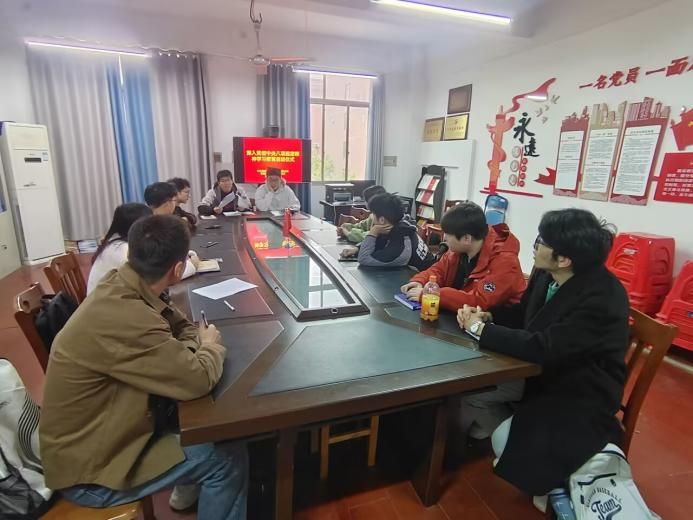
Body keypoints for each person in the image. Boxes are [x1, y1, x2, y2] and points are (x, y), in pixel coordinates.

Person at [40, 215, 248, 519]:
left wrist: (188, 351)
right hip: (91, 473)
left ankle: (189, 488)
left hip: (103, 438)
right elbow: (198, 379)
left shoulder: (123, 283)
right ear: (178, 270)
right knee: (227, 460)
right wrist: (210, 345)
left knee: (204, 429)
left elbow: (181, 328)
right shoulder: (127, 315)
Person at [457, 209, 629, 507]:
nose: (534, 246)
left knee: (487, 414)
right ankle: (523, 449)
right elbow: (525, 315)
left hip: (578, 389)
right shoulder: (547, 276)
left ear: (564, 259)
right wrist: (489, 317)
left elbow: (544, 346)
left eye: (541, 241)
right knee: (470, 390)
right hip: (539, 370)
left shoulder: (602, 296)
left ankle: (551, 472)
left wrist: (480, 330)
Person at [401, 201, 525, 311]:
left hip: (495, 323)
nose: (444, 238)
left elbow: (480, 302)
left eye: (448, 234)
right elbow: (438, 270)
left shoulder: (505, 262)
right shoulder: (458, 249)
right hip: (459, 317)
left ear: (466, 238)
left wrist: (433, 295)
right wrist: (420, 281)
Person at [345, 193, 435, 270]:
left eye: (373, 214)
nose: (371, 216)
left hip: (421, 280)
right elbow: (379, 242)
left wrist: (373, 232)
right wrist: (357, 249)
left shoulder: (401, 243)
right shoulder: (397, 226)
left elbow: (364, 259)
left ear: (382, 220)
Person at [87, 203, 153, 294]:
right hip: (106, 300)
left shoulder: (115, 244)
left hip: (105, 297)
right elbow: (144, 281)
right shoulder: (123, 250)